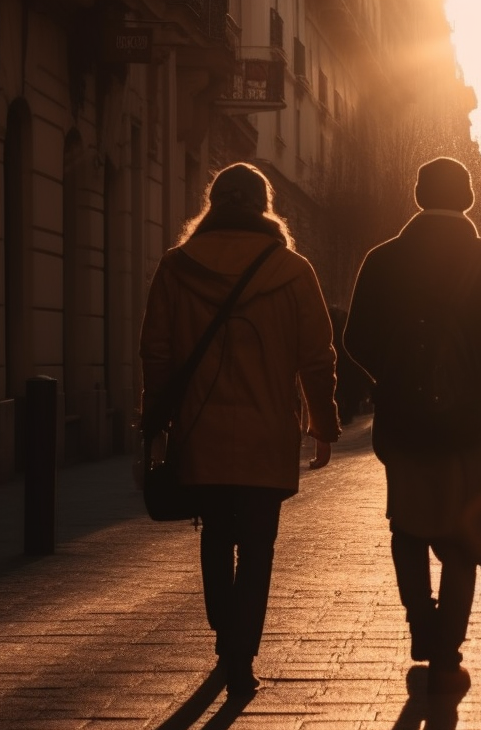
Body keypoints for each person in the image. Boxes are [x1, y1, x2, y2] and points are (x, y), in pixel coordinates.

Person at [139, 162, 340, 696]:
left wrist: (154, 424)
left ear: (214, 205)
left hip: (199, 429)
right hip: (265, 433)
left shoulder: (176, 267)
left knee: (215, 535)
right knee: (257, 545)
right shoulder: (293, 271)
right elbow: (317, 358)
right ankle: (241, 653)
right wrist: (323, 425)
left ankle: (225, 632)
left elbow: (156, 354)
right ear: (263, 206)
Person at [343, 157, 481, 696]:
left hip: (405, 420)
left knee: (407, 522)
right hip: (471, 425)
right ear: (469, 197)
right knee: (461, 533)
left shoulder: (383, 259)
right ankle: (448, 646)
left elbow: (356, 337)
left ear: (418, 194)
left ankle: (419, 622)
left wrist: (396, 377)